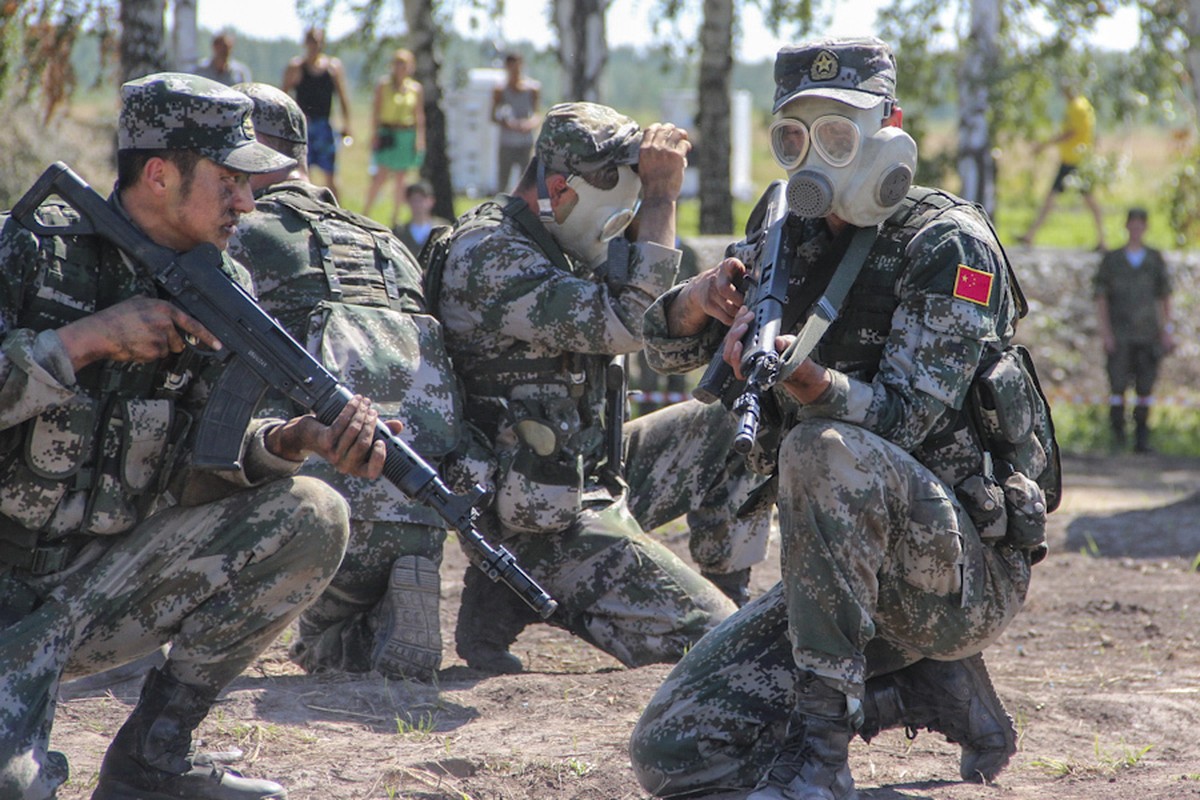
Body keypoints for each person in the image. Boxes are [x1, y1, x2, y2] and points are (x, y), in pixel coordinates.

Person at [630, 37, 1058, 800]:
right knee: (673, 754)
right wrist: (697, 303)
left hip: (957, 574)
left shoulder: (947, 244)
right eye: (796, 136)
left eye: (838, 134)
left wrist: (806, 379)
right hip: (841, 576)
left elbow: (905, 421)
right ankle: (919, 689)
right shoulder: (783, 227)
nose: (815, 157)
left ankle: (821, 756)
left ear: (889, 128)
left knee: (823, 449)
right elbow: (664, 347)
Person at [0, 73, 397, 800]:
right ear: (158, 174)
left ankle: (154, 759)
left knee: (310, 513)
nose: (248, 202)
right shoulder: (30, 251)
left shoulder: (223, 285)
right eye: (229, 181)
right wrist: (84, 341)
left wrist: (291, 439)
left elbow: (198, 464)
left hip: (100, 587)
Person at [435, 102, 773, 673]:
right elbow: (623, 322)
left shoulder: (551, 237)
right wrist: (663, 198)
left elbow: (629, 308)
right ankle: (515, 581)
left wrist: (700, 295)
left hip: (584, 477)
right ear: (561, 189)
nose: (627, 212)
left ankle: (728, 592)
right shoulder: (488, 254)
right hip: (536, 521)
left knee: (738, 417)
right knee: (728, 647)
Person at [226, 82, 456, 682]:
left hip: (315, 515)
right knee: (330, 636)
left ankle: (335, 625)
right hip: (420, 508)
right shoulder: (392, 246)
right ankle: (377, 602)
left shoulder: (237, 234)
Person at [1094, 207, 1174, 453]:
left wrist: (1167, 329)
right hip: (1120, 335)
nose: (1136, 229)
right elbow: (1100, 297)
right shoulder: (1113, 260)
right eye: (1133, 224)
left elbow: (1165, 297)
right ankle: (1117, 437)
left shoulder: (1154, 259)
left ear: (1145, 227)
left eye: (1141, 224)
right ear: (1127, 226)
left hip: (1148, 334)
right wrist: (1106, 332)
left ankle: (1142, 439)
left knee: (1145, 388)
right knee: (1117, 387)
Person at [1019, 80, 1105, 250]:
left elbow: (1071, 133)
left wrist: (1044, 145)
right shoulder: (1081, 105)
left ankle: (1102, 238)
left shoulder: (1077, 107)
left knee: (1079, 199)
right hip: (1073, 158)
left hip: (1075, 161)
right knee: (1057, 197)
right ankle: (1030, 234)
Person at [283, 27, 353, 200]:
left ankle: (338, 210)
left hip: (324, 124)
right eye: (311, 41)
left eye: (317, 41)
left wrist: (347, 124)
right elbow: (283, 96)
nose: (314, 45)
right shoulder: (297, 67)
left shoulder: (332, 67)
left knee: (331, 173)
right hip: (304, 126)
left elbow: (343, 96)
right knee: (303, 170)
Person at [363, 49, 426, 229]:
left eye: (404, 63)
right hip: (387, 133)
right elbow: (376, 111)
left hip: (406, 134)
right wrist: (374, 134)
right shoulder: (383, 85)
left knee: (401, 178)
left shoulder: (415, 88)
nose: (401, 67)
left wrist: (419, 138)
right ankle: (366, 212)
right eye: (398, 63)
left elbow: (419, 115)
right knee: (381, 175)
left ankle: (396, 218)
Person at [491, 52, 541, 192]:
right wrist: (507, 123)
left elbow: (537, 114)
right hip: (507, 142)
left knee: (527, 180)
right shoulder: (500, 90)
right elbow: (493, 116)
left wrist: (528, 124)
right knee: (503, 180)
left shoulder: (532, 89)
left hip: (525, 141)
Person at [394, 179, 450, 254]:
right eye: (414, 200)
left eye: (422, 200)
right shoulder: (399, 233)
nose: (418, 204)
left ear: (431, 201)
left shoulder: (443, 230)